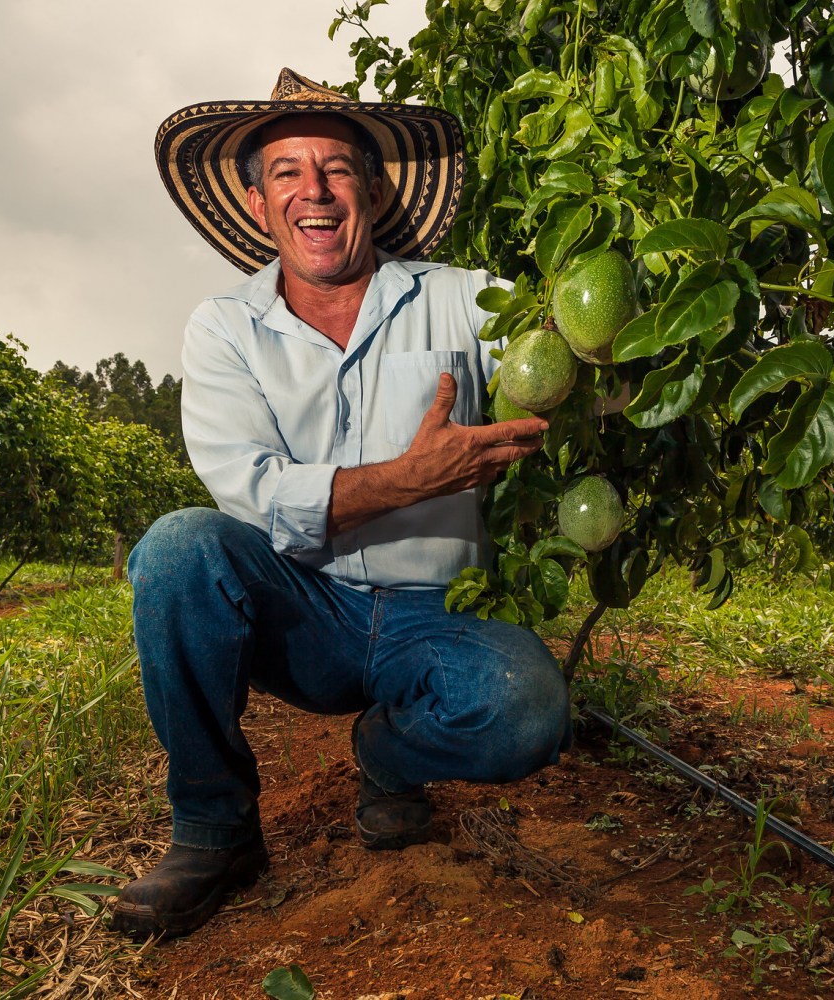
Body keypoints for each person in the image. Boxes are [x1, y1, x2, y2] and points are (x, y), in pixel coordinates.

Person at [111, 69, 572, 939]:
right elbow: (250, 489)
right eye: (286, 172)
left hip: (431, 613)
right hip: (305, 613)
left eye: (336, 169)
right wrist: (410, 477)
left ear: (371, 190)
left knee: (528, 706)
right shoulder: (224, 327)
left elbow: (562, 357)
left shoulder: (464, 297)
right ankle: (214, 830)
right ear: (257, 202)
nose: (313, 192)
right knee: (178, 548)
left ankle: (387, 758)